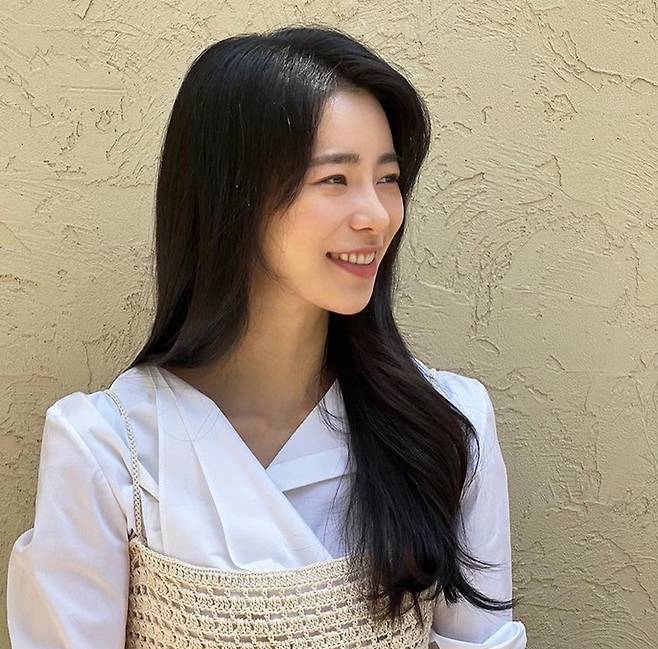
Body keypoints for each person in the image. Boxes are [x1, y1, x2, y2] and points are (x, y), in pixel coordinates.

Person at [6, 24, 527, 648]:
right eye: (335, 180)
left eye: (387, 178)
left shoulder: (445, 426)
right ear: (233, 194)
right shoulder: (112, 449)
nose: (377, 215)